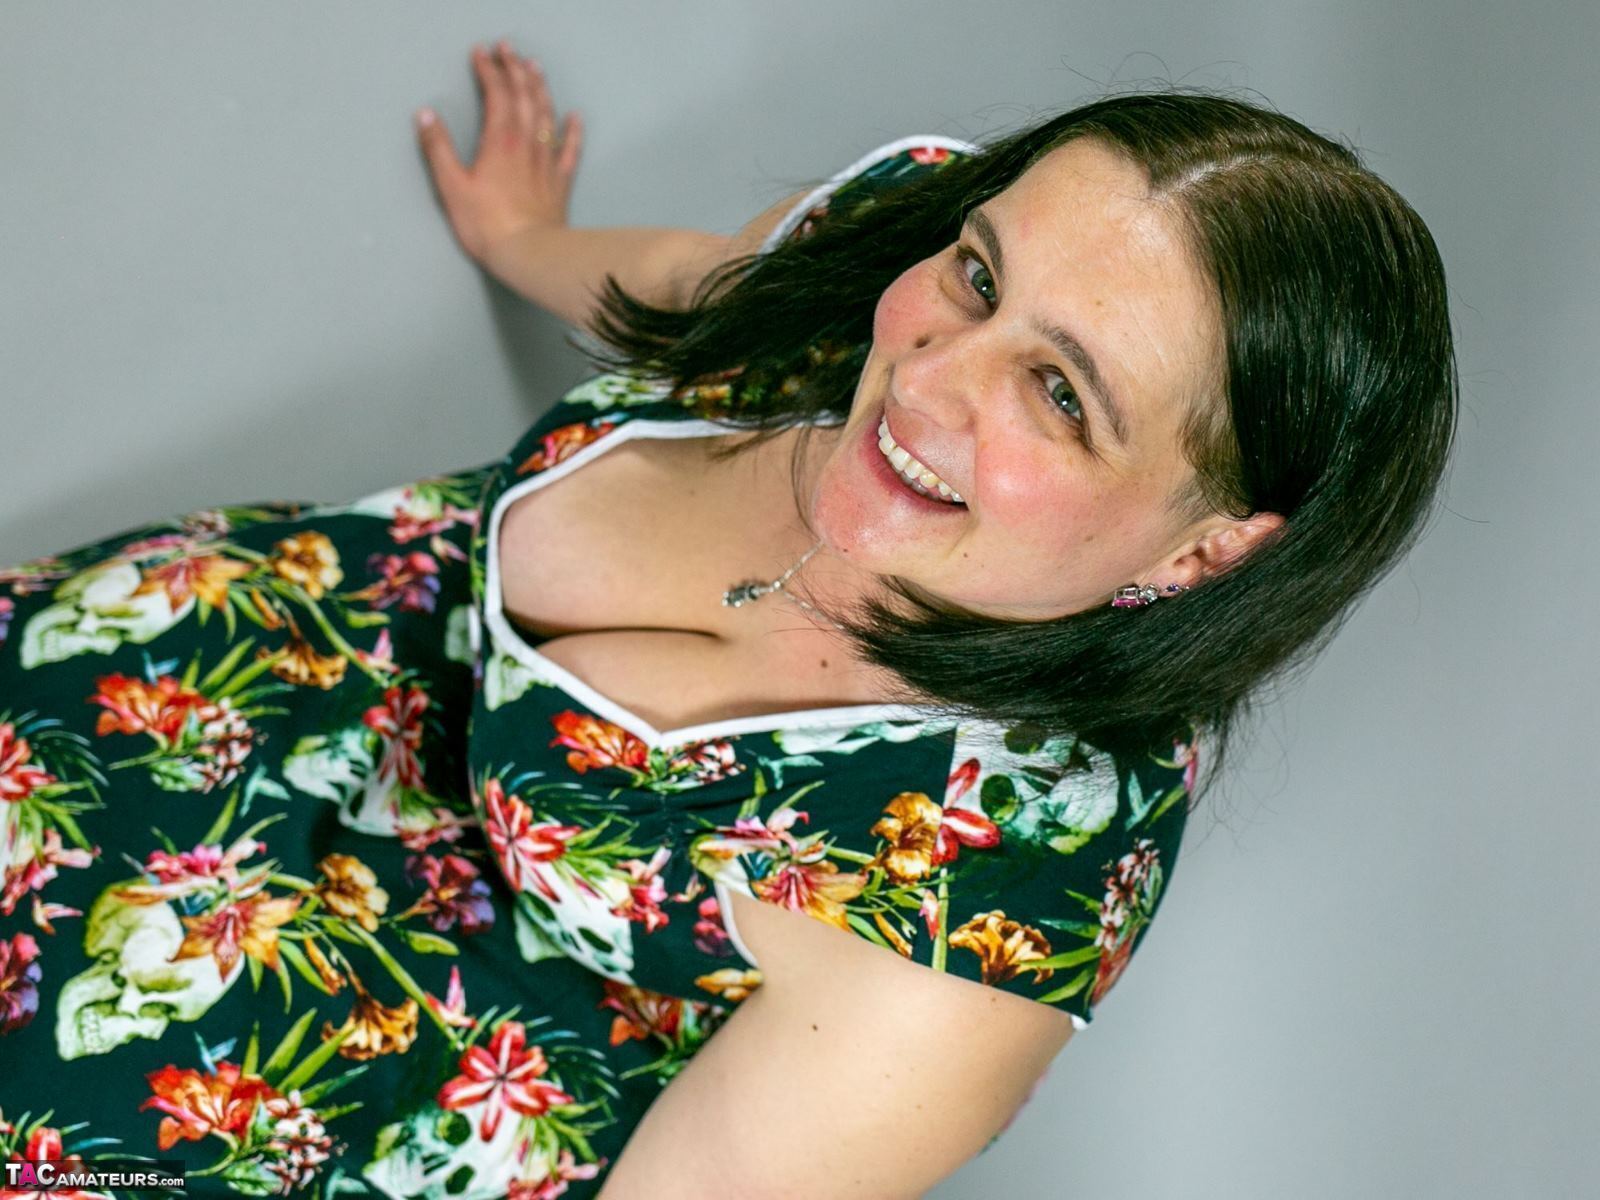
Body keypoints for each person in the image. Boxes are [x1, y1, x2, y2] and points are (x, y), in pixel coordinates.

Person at [0, 36, 1456, 1200]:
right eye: (979, 274)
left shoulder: (968, 937)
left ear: (1209, 548)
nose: (926, 376)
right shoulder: (892, 266)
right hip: (282, 649)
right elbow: (700, 295)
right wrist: (527, 238)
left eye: (1060, 394)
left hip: (369, 1033)